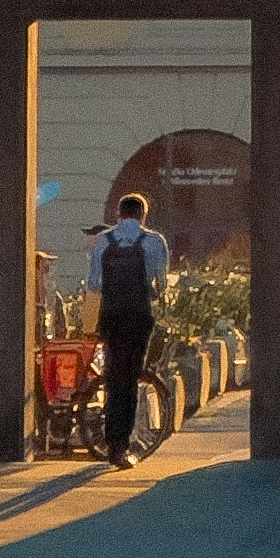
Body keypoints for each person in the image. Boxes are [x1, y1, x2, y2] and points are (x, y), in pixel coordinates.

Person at [85, 193, 168, 470]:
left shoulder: (103, 241)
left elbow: (95, 285)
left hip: (110, 318)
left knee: (112, 378)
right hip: (137, 319)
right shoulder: (154, 242)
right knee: (130, 381)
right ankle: (122, 447)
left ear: (119, 214)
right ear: (143, 215)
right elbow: (161, 284)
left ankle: (111, 443)